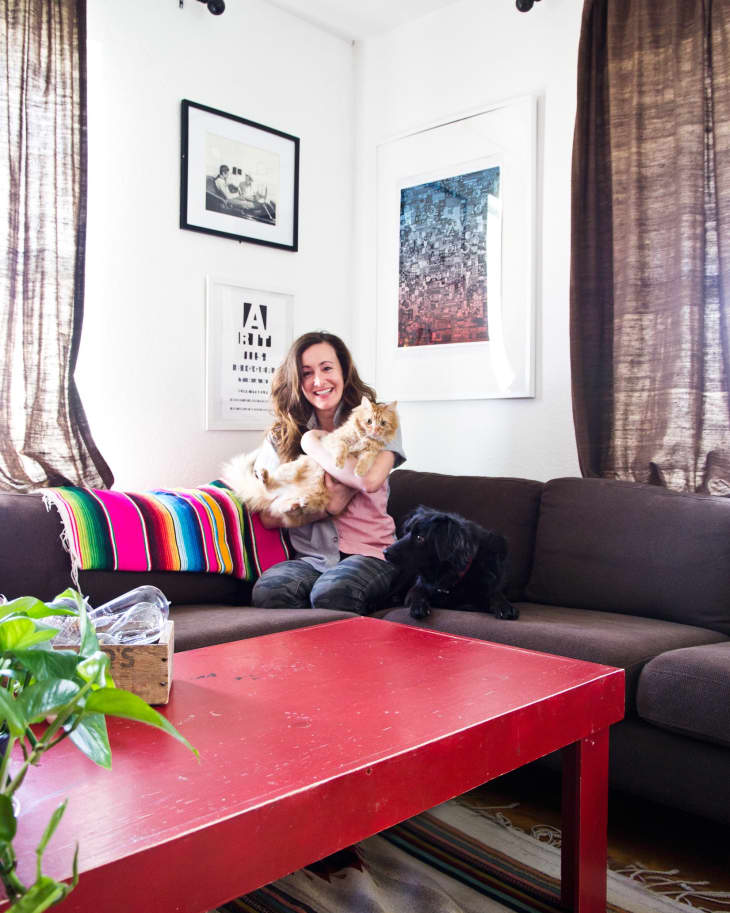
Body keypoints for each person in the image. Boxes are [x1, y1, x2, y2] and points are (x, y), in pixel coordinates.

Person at [251, 331, 405, 614]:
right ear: (297, 380)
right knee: (269, 592)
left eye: (327, 368)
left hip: (370, 553)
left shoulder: (380, 420)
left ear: (344, 370)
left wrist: (312, 443)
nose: (318, 381)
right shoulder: (280, 436)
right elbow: (268, 516)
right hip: (312, 559)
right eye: (306, 373)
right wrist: (324, 508)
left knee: (333, 593)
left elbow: (368, 480)